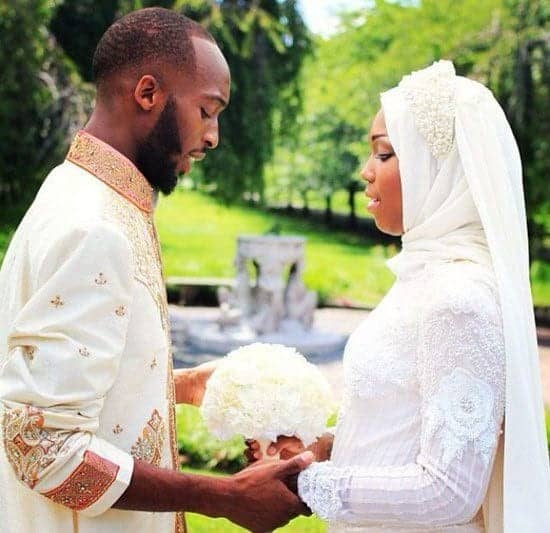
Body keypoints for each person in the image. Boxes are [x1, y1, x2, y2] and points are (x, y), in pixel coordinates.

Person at [0, 8, 312, 533]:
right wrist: (223, 496)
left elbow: (74, 385)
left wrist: (183, 386)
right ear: (148, 93)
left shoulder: (89, 195)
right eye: (207, 110)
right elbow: (40, 443)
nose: (212, 137)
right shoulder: (93, 226)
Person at [252, 60, 550, 531]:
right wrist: (318, 448)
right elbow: (402, 424)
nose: (366, 172)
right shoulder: (424, 277)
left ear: (440, 170)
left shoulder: (459, 296)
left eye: (385, 154)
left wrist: (305, 486)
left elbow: (448, 491)